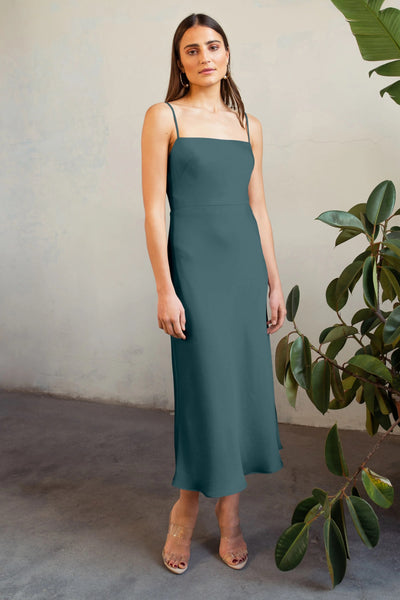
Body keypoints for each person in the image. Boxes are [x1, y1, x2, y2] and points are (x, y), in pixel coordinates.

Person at [141, 13, 286, 574]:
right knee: (205, 393)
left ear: (228, 54)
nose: (205, 56)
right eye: (192, 49)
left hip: (244, 270)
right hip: (194, 269)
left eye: (214, 46)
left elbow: (259, 207)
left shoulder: (249, 124)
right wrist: (164, 287)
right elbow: (155, 208)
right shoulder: (164, 116)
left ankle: (230, 515)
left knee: (243, 391)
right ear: (180, 62)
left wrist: (274, 281)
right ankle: (184, 508)